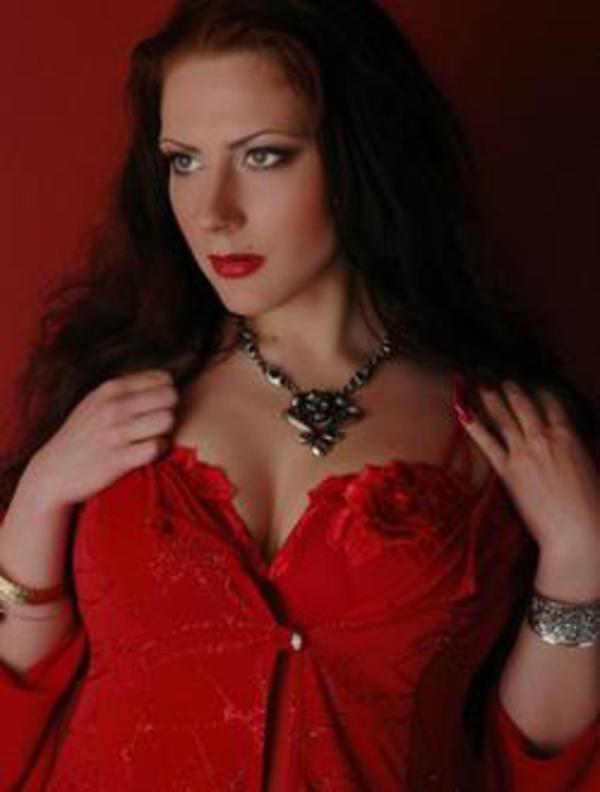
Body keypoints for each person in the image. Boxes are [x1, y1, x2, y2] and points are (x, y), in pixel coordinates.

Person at [0, 0, 598, 789]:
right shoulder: (115, 389)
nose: (213, 214)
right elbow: (18, 696)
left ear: (362, 155)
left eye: (264, 156)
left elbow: (533, 763)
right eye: (183, 161)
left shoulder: (496, 428)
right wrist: (37, 499)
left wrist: (581, 559)